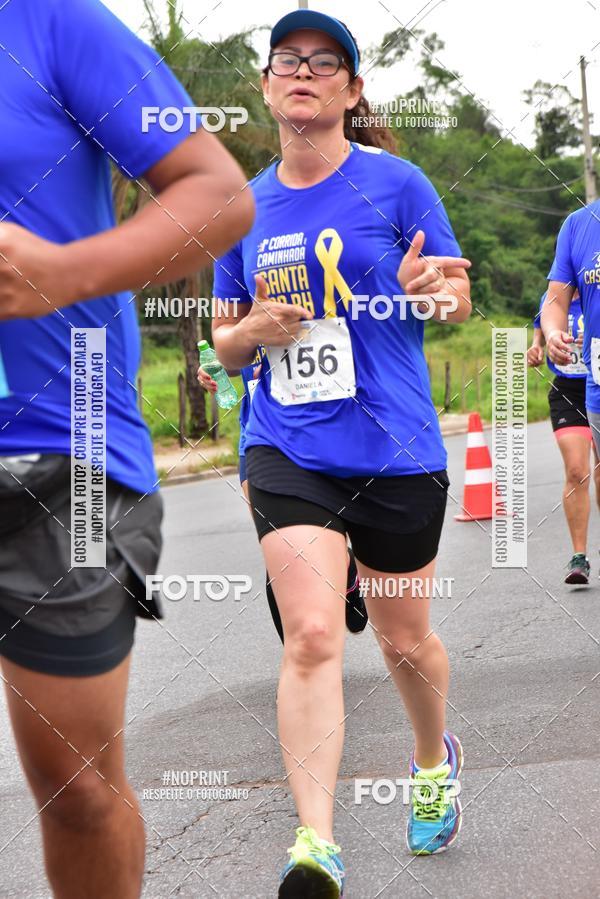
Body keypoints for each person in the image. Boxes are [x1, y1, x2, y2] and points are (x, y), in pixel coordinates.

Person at [210, 10, 471, 897]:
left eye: (326, 64)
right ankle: (315, 844)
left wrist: (431, 290)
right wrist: (251, 328)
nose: (305, 74)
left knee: (405, 641)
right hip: (287, 445)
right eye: (288, 61)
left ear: (352, 92)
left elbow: (455, 297)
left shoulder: (397, 184)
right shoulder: (241, 205)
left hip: (395, 447)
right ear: (267, 85)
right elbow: (222, 341)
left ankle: (432, 761)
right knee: (315, 633)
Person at [0, 1, 253, 897]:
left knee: (76, 790)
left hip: (60, 447)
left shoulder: (49, 24)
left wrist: (62, 274)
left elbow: (218, 193)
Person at [197, 359, 368, 638]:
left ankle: (347, 570)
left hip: (318, 428)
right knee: (277, 545)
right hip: (260, 436)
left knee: (329, 541)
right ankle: (298, 650)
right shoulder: (243, 315)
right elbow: (234, 356)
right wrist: (214, 370)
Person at [542, 200, 600, 577]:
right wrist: (550, 333)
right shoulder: (578, 225)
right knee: (582, 469)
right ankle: (580, 553)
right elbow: (553, 301)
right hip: (591, 382)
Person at [528, 289, 600, 583]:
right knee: (576, 471)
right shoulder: (551, 297)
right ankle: (579, 558)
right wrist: (535, 348)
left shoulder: (593, 292)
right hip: (567, 392)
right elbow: (539, 332)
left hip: (597, 383)